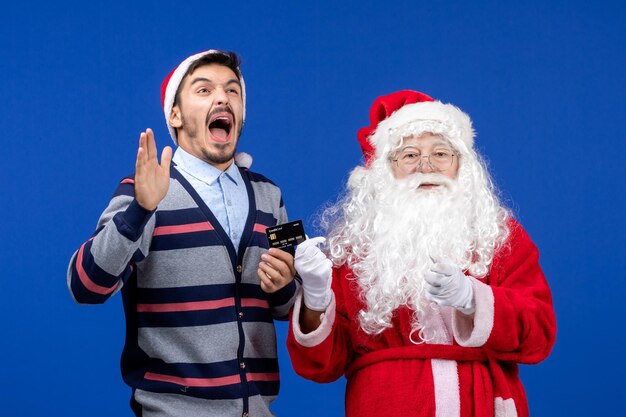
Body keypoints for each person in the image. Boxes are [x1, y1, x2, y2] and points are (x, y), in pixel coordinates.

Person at [287, 90, 556, 417]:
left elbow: (539, 335)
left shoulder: (499, 235)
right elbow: (321, 367)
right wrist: (316, 298)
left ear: (462, 166)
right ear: (386, 171)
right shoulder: (355, 246)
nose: (426, 166)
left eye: (441, 153)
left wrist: (473, 298)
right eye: (409, 155)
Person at [68, 50, 299, 417]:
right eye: (204, 90)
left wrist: (287, 284)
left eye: (232, 91)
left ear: (241, 113)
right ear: (174, 115)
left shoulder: (272, 196)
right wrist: (140, 210)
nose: (222, 98)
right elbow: (85, 286)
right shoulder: (141, 190)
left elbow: (291, 305)